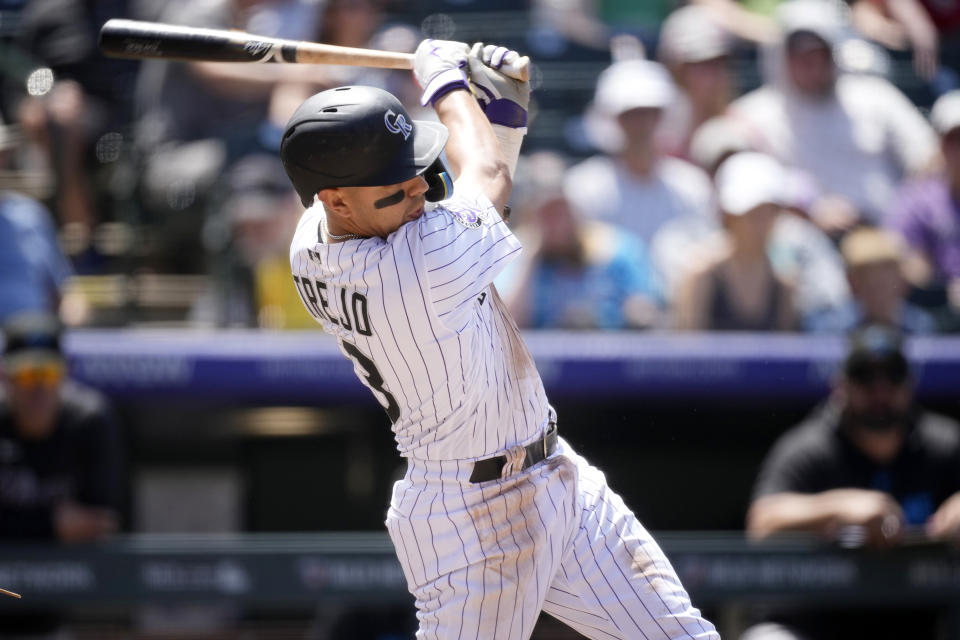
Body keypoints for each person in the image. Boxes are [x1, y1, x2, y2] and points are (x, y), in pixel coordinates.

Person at [281, 39, 719, 639]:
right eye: (395, 191)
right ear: (335, 201)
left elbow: (474, 192)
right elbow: (486, 174)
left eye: (414, 177)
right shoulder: (415, 268)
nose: (418, 196)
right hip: (470, 517)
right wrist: (446, 85)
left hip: (556, 475)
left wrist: (503, 116)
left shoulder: (313, 237)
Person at [743, 323, 960, 640]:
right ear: (840, 385)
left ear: (910, 385)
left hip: (915, 624)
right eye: (865, 377)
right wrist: (839, 507)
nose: (880, 390)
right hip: (814, 623)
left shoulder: (943, 444)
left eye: (892, 376)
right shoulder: (810, 447)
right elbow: (762, 523)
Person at [730, 0, 939, 235]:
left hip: (885, 238)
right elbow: (741, 182)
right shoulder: (752, 116)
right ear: (781, 57)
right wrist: (808, 209)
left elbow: (926, 155)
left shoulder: (875, 96)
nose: (811, 65)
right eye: (800, 56)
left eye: (818, 53)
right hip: (804, 246)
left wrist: (905, 211)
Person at [0, 313, 124, 636]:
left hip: (61, 607)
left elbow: (101, 522)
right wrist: (52, 524)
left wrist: (16, 523)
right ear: (5, 377)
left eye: (49, 373)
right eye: (27, 374)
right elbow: (71, 525)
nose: (39, 388)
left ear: (65, 375)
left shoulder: (89, 420)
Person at [496, 152, 662, 330]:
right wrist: (531, 258)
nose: (557, 223)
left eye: (561, 210)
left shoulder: (617, 248)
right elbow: (504, 326)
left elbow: (647, 310)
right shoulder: (515, 253)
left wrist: (632, 313)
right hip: (542, 356)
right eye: (547, 214)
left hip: (614, 351)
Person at [566, 58, 716, 247]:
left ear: (662, 116)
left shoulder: (692, 186)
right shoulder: (583, 188)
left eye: (650, 113)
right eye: (631, 114)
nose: (642, 124)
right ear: (615, 119)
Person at [674, 152, 798, 331]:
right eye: (752, 214)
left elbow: (786, 352)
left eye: (768, 212)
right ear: (729, 216)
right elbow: (689, 351)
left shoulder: (785, 283)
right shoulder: (701, 276)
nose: (761, 224)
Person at [887, 89, 960, 328]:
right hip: (935, 315)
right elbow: (905, 262)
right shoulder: (918, 199)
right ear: (939, 143)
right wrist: (946, 285)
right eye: (954, 139)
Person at [807, 226, 938, 333]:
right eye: (868, 279)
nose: (879, 286)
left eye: (887, 279)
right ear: (851, 281)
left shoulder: (921, 325)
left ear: (901, 280)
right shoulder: (829, 328)